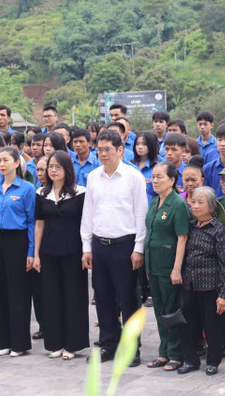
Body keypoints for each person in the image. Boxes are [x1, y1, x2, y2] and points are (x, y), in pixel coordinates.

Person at [81, 129, 148, 366]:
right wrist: (86, 247)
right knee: (103, 297)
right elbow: (88, 213)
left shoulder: (133, 177)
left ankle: (131, 348)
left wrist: (139, 247)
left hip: (125, 245)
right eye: (98, 149)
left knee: (128, 298)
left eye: (107, 149)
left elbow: (141, 214)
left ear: (120, 150)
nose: (102, 154)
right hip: (99, 245)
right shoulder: (92, 177)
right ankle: (109, 343)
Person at [31, 151, 88, 360]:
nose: (53, 171)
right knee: (51, 298)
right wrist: (36, 254)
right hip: (49, 252)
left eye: (57, 167)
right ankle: (54, 343)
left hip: (73, 252)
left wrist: (86, 251)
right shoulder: (41, 193)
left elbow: (86, 223)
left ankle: (73, 344)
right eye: (50, 167)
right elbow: (39, 224)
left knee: (73, 297)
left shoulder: (79, 193)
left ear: (67, 169)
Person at [0, 146, 37, 357]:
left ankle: (18, 343)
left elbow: (33, 221)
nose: (1, 164)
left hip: (18, 241)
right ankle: (2, 341)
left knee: (18, 293)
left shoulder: (26, 189)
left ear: (17, 163)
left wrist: (31, 251)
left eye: (6, 160)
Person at [179, 186, 225, 376]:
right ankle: (190, 360)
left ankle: (213, 361)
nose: (195, 206)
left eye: (201, 202)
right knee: (188, 324)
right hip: (189, 284)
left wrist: (223, 295)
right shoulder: (191, 226)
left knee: (212, 325)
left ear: (211, 207)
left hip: (210, 286)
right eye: (193, 202)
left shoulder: (218, 230)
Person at [143, 162, 189, 371]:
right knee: (160, 310)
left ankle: (176, 354)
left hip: (169, 266)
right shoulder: (155, 202)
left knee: (171, 311)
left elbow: (182, 237)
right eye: (153, 176)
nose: (155, 180)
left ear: (172, 180)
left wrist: (177, 268)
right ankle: (164, 352)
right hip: (153, 265)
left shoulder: (177, 204)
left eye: (160, 177)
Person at [132, 131, 162, 201]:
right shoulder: (130, 166)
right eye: (137, 144)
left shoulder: (158, 167)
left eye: (144, 144)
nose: (140, 147)